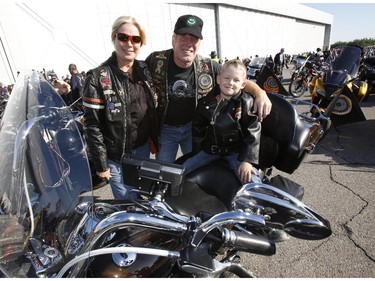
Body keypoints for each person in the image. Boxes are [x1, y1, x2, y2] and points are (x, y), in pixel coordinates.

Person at [146, 14, 271, 163]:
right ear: (174, 39)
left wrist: (260, 93)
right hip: (166, 130)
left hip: (194, 128)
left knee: (196, 169)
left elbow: (236, 77)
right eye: (183, 37)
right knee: (164, 173)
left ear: (199, 44)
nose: (188, 43)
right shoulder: (155, 61)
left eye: (194, 39)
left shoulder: (208, 66)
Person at [83, 16, 159, 201]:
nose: (129, 44)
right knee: (126, 201)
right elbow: (92, 126)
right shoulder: (97, 77)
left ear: (141, 43)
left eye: (135, 39)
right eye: (123, 37)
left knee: (143, 198)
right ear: (114, 38)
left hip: (142, 151)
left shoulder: (145, 69)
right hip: (116, 158)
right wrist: (101, 165)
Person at [183, 59, 261, 184]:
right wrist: (197, 153)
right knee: (183, 170)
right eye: (226, 78)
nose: (230, 83)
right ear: (218, 79)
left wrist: (247, 160)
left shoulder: (246, 102)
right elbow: (198, 131)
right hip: (209, 151)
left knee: (251, 180)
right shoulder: (205, 103)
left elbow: (253, 132)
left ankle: (261, 200)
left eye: (236, 80)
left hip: (236, 153)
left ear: (243, 84)